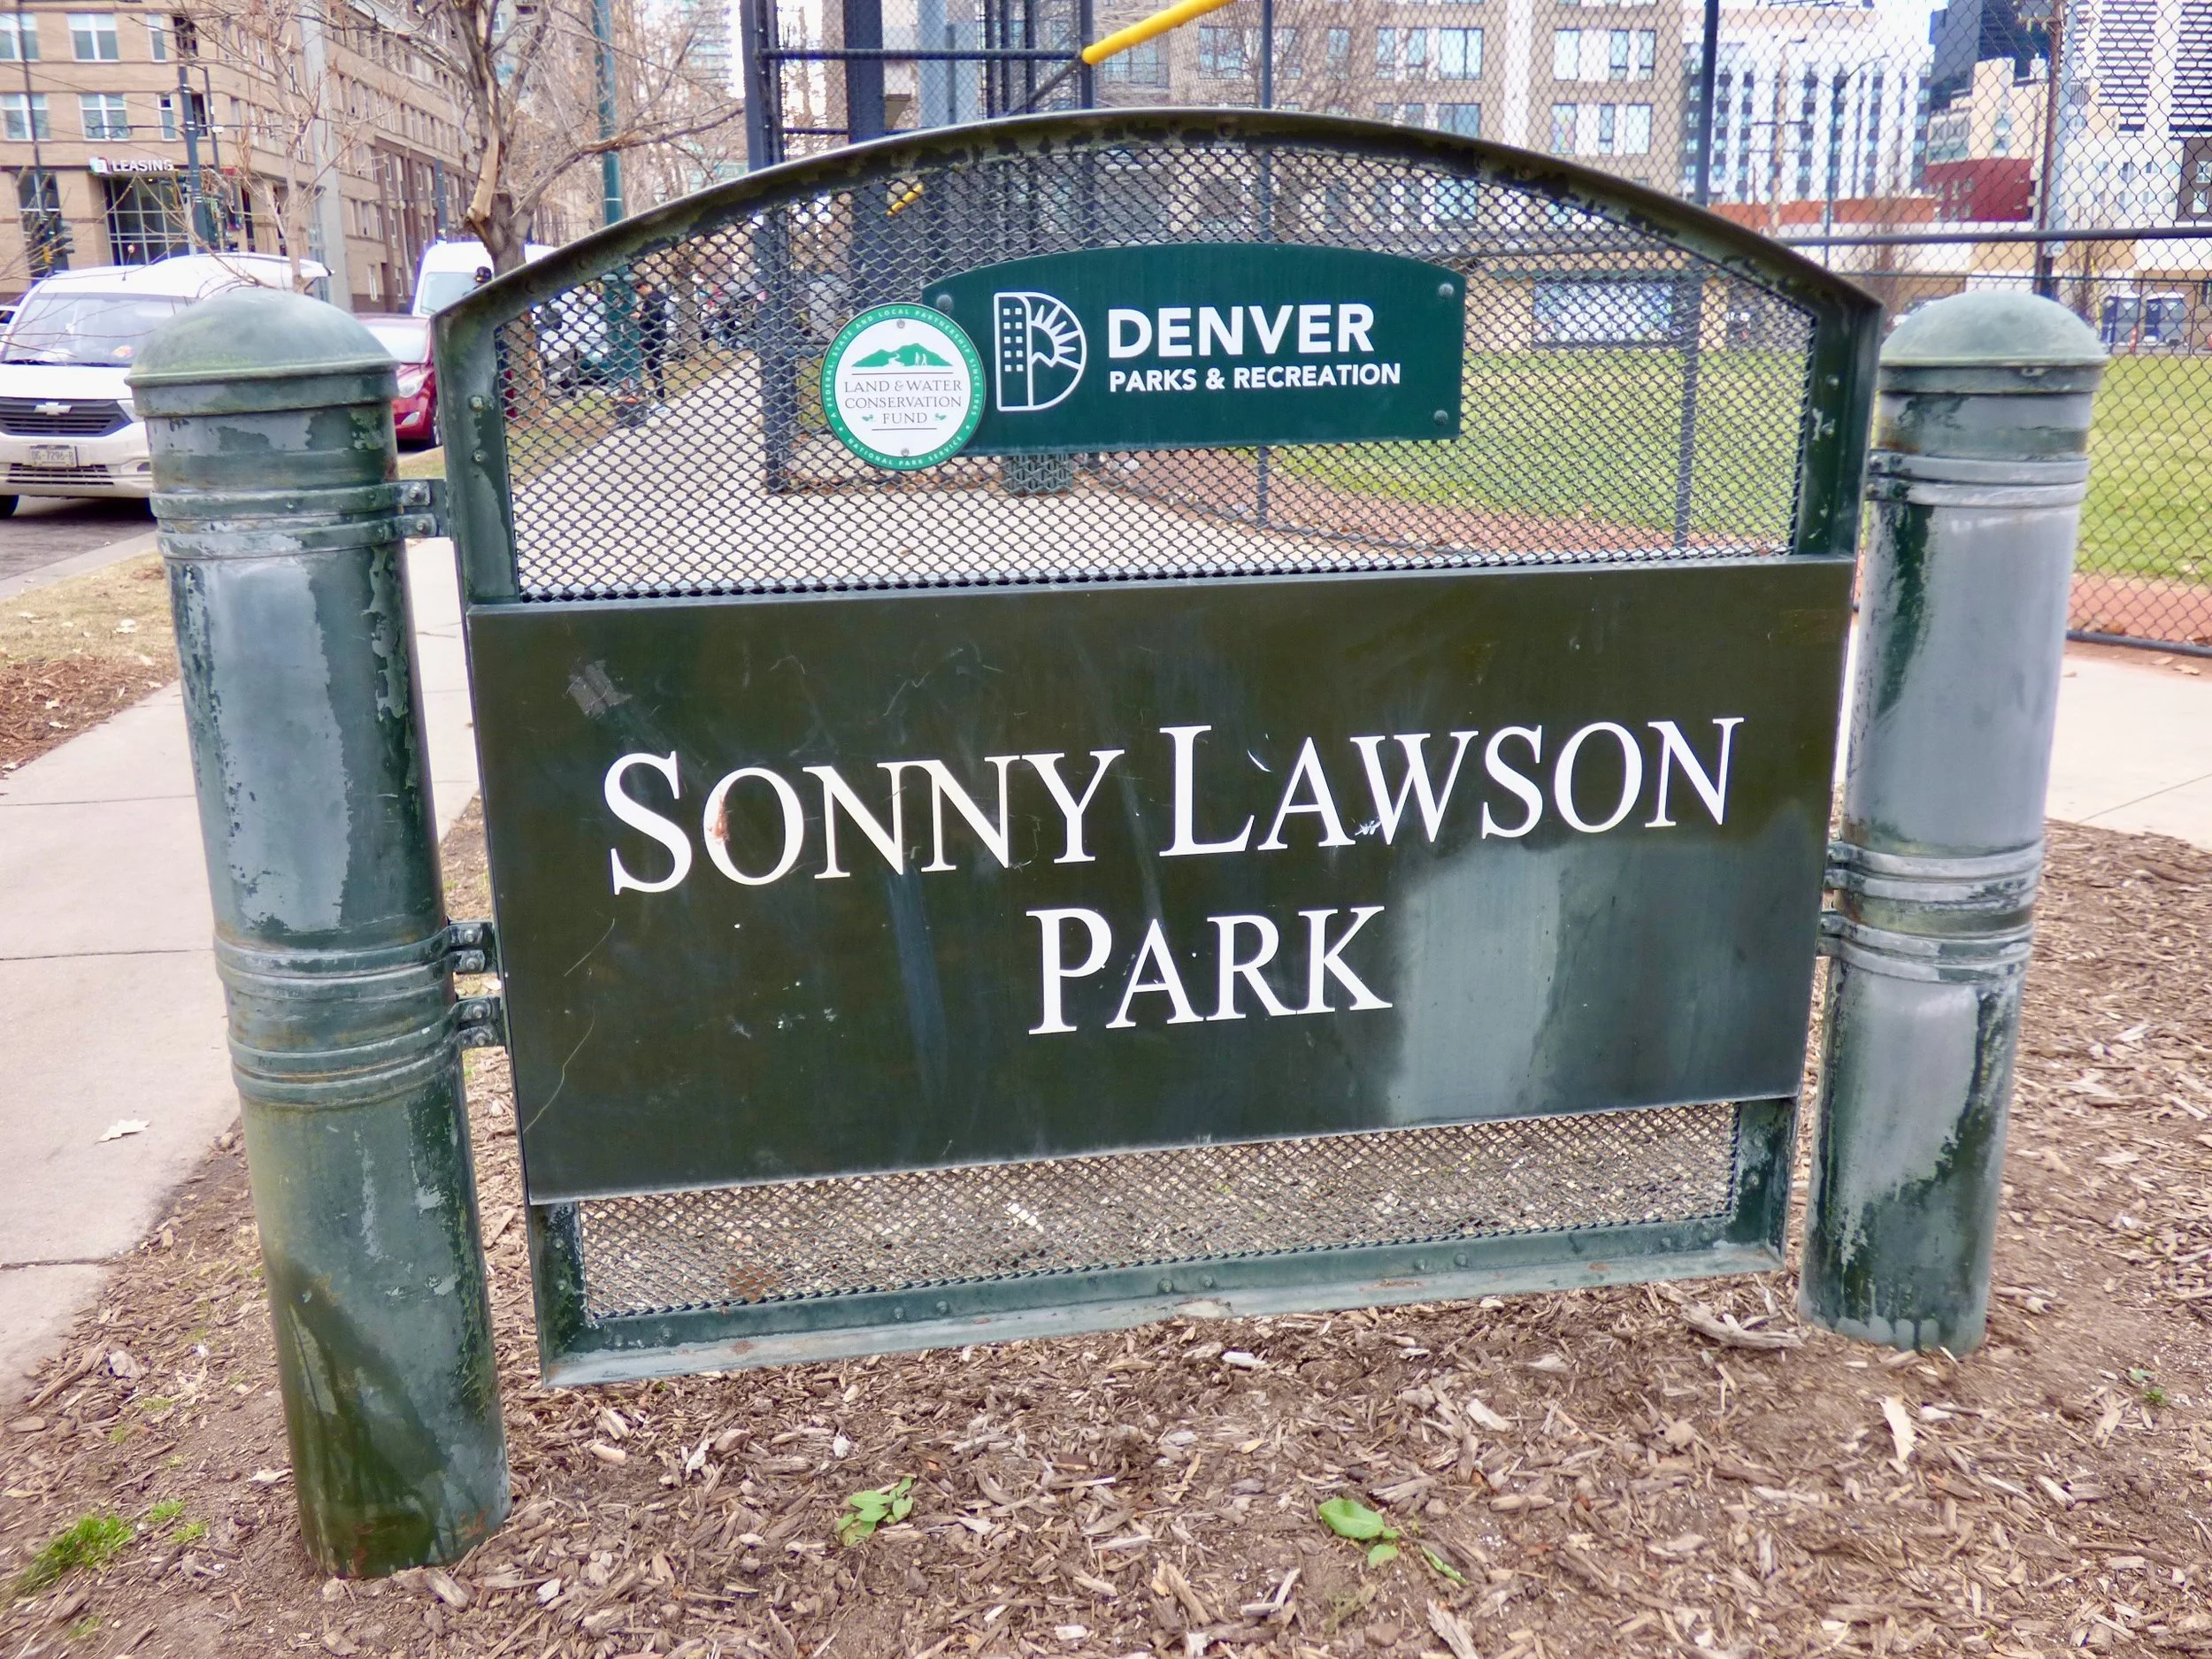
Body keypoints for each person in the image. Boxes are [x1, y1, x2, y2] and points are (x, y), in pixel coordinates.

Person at [636, 280, 670, 406]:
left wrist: (639, 316)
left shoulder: (652, 299)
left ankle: (660, 400)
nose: (639, 294)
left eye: (639, 291)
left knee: (654, 369)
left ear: (643, 287)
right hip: (656, 338)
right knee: (654, 368)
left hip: (653, 339)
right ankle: (658, 397)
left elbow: (652, 318)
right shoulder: (657, 297)